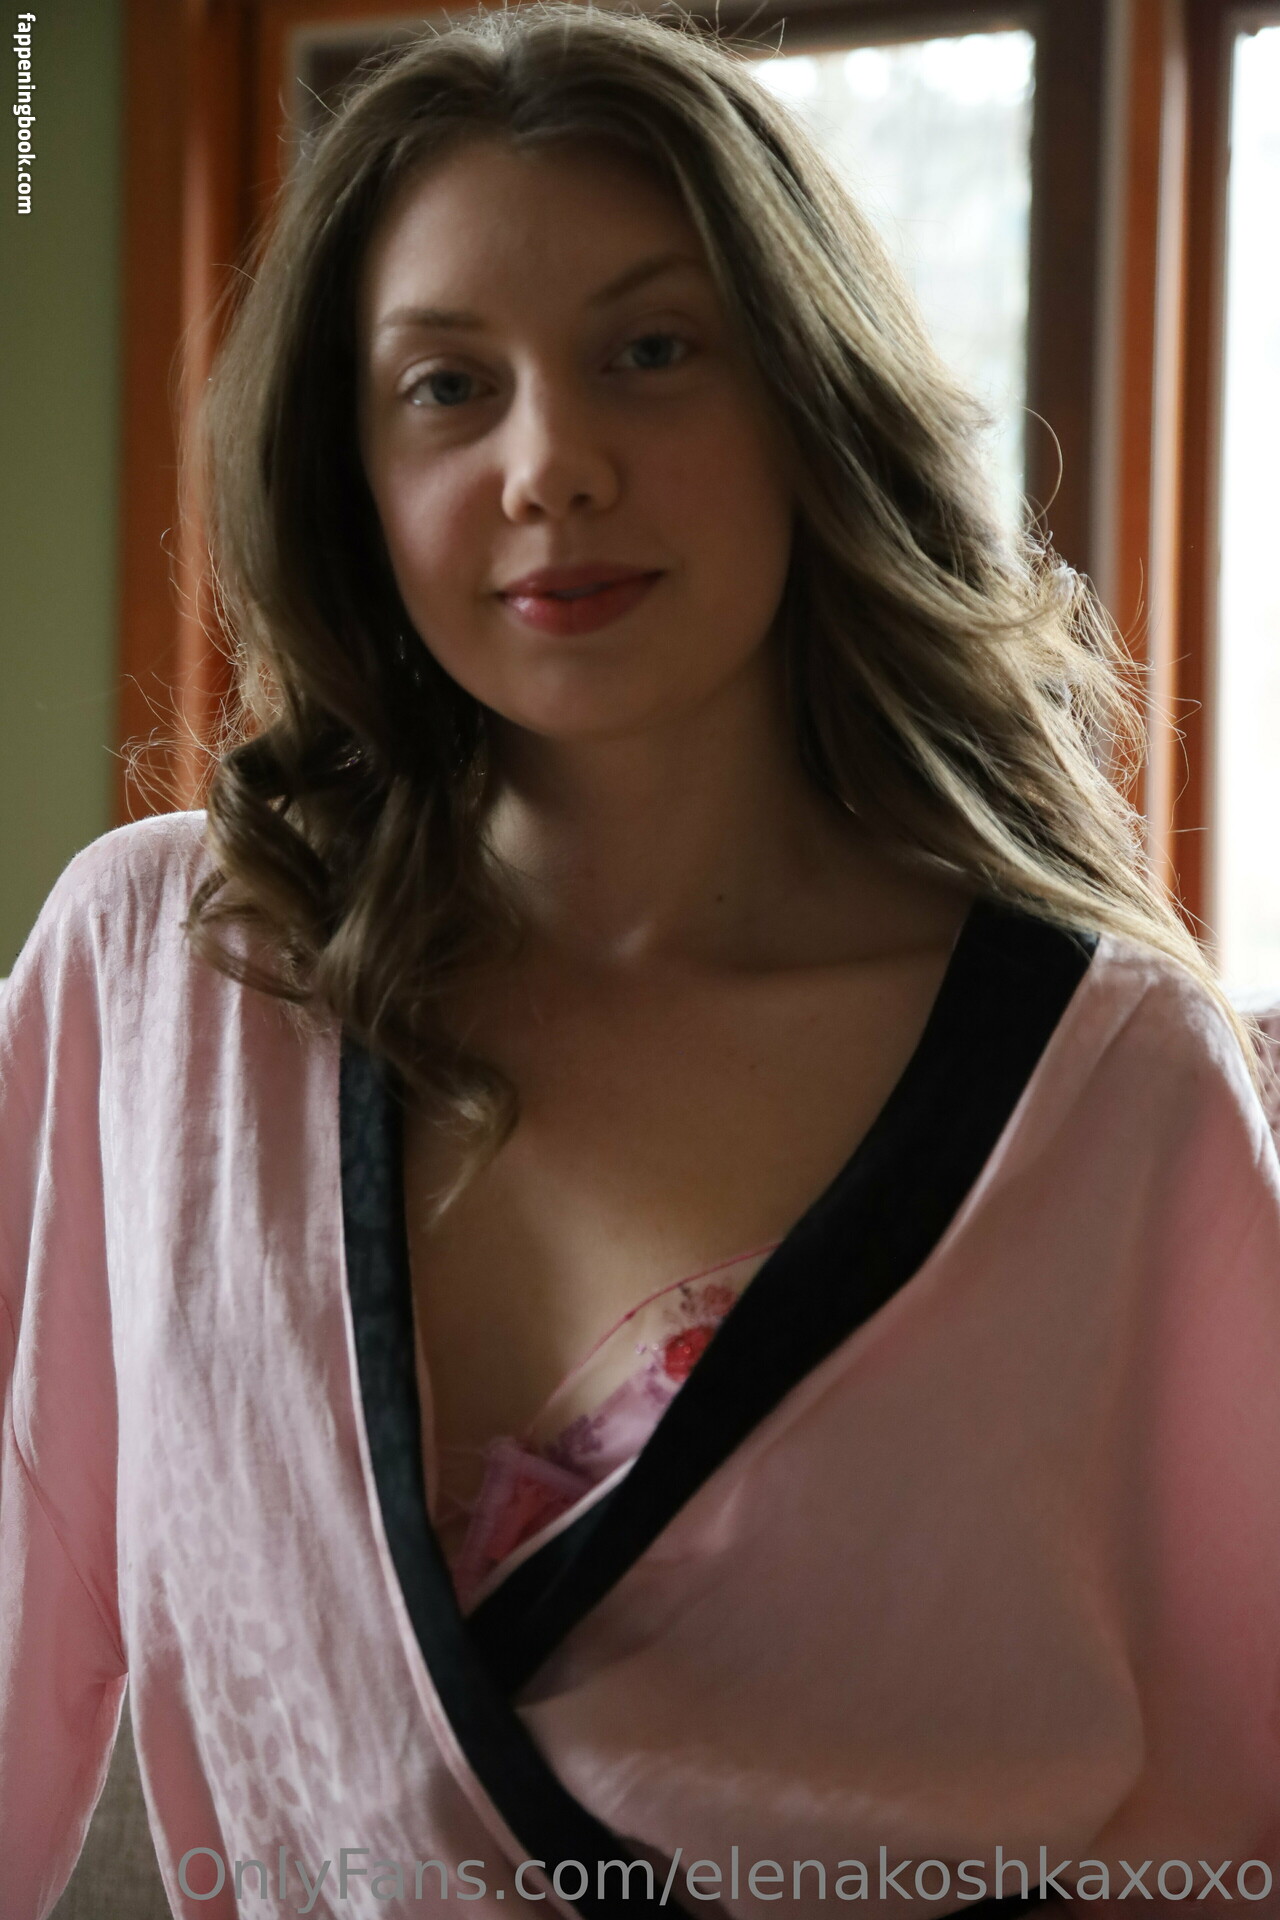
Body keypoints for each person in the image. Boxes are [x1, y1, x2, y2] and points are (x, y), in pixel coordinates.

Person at [3, 7, 1280, 1916]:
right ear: (349, 468)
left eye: (652, 352)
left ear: (807, 406)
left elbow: (1238, 1808)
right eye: (447, 385)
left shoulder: (1110, 1086)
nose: (553, 465)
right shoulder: (160, 980)